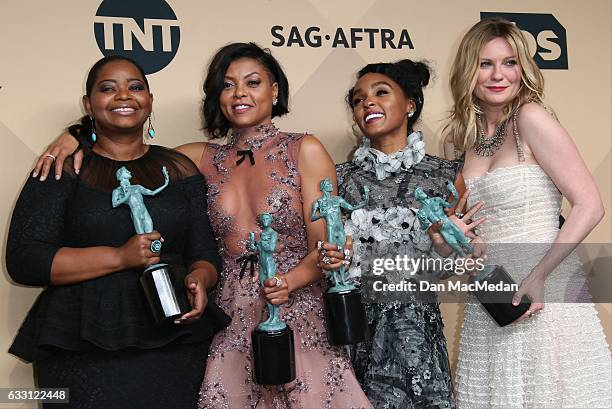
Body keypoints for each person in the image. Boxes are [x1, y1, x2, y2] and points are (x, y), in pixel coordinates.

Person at [33, 43, 372, 409]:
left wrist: (286, 283)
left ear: (274, 91)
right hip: (228, 315)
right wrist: (80, 134)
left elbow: (324, 246)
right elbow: (126, 151)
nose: (240, 93)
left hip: (295, 308)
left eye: (253, 82)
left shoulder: (305, 149)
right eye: (228, 85)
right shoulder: (197, 159)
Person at [7, 55, 229, 409]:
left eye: (135, 87)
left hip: (174, 339)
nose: (124, 96)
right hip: (82, 346)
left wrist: (200, 279)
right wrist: (119, 257)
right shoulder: (62, 168)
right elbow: (24, 259)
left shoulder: (180, 168)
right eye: (107, 88)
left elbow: (203, 250)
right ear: (88, 104)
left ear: (150, 100)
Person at [445, 17, 611, 408]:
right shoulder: (460, 138)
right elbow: (460, 229)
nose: (498, 75)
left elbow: (590, 205)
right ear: (469, 70)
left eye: (509, 62)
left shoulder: (531, 118)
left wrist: (539, 275)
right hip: (493, 295)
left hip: (545, 293)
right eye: (486, 64)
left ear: (523, 68)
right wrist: (455, 234)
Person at [320, 60, 484, 409]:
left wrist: (446, 250)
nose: (368, 103)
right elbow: (328, 260)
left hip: (417, 335)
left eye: (381, 92)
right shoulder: (339, 180)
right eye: (358, 99)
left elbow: (455, 263)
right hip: (354, 333)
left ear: (410, 103)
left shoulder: (445, 176)